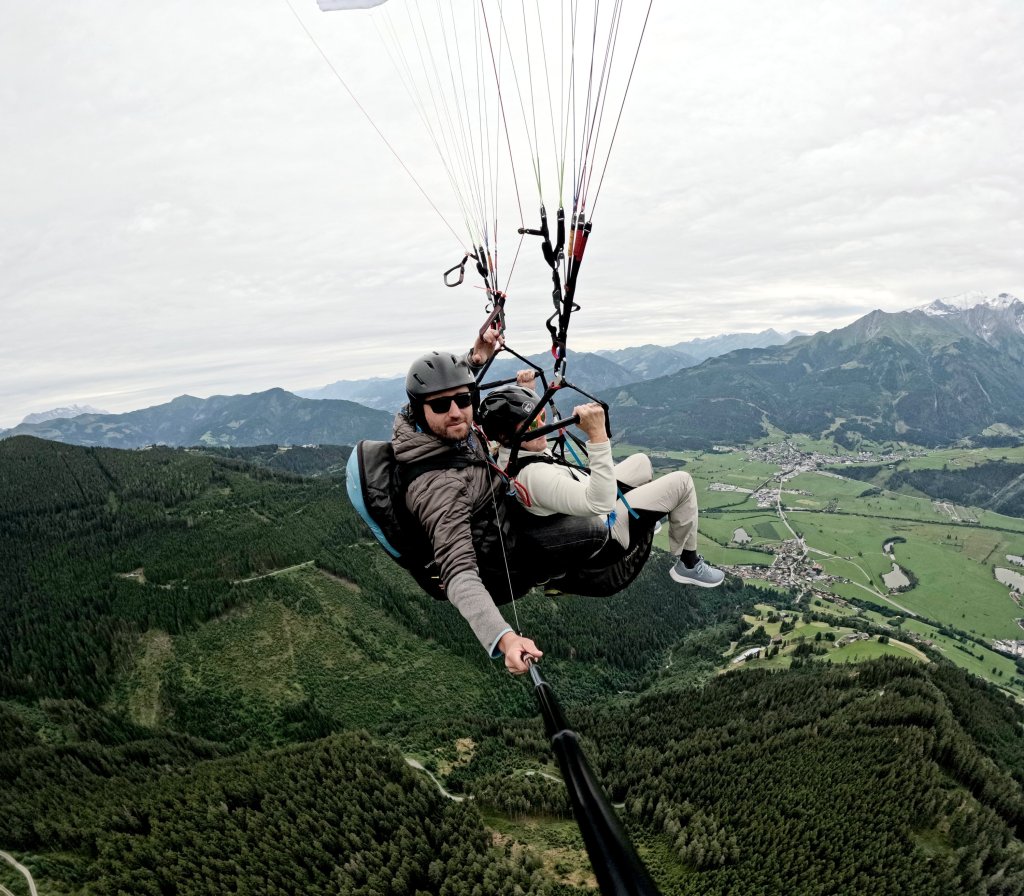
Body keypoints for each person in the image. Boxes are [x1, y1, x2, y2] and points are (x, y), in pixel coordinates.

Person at [394, 330, 570, 676]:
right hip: (501, 564)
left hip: (501, 517)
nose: (456, 412)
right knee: (594, 531)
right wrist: (504, 638)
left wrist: (475, 357)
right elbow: (457, 572)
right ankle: (562, 578)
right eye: (441, 406)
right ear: (419, 411)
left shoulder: (438, 432)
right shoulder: (437, 485)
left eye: (464, 400)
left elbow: (448, 390)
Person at [478, 373, 725, 588]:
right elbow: (600, 503)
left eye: (541, 416)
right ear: (505, 435)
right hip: (607, 530)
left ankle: (648, 515)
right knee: (682, 483)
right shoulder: (535, 477)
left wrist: (527, 391)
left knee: (640, 462)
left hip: (582, 496)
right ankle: (688, 563)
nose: (542, 425)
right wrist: (597, 436)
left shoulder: (509, 452)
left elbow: (521, 427)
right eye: (533, 422)